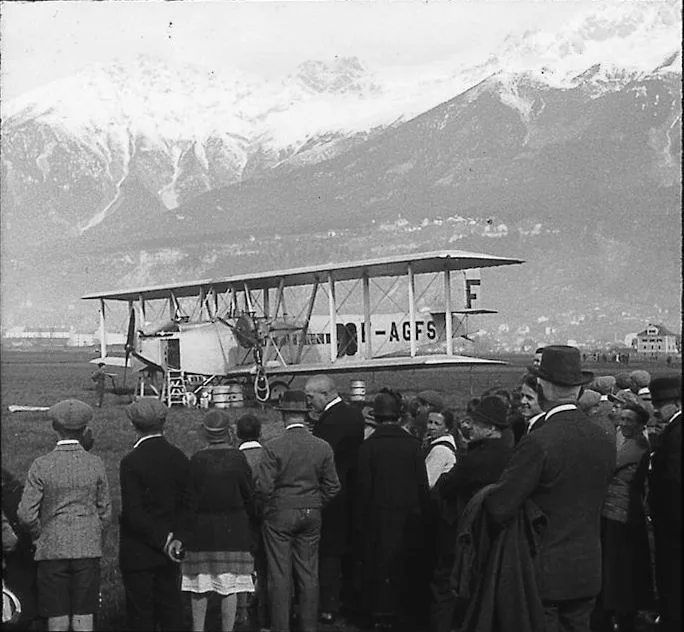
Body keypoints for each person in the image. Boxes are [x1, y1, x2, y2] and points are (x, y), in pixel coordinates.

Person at [485, 346, 616, 632]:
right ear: (579, 389)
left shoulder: (539, 441)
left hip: (544, 573)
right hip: (587, 569)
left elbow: (500, 507)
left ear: (542, 386)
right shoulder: (603, 436)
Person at [17, 399, 112, 632]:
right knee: (84, 612)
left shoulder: (41, 465)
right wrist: (94, 534)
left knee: (56, 614)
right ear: (84, 429)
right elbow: (106, 511)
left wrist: (41, 535)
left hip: (52, 548)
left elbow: (26, 514)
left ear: (54, 427)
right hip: (86, 547)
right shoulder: (95, 463)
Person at [255, 390, 341, 632]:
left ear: (284, 416)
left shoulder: (274, 447)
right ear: (306, 416)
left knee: (280, 575)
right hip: (311, 513)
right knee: (308, 573)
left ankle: (280, 626)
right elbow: (333, 485)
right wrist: (316, 502)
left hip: (280, 512)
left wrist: (269, 507)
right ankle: (308, 626)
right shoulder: (322, 447)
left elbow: (263, 486)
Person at [430, 396, 514, 632]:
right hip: (497, 533)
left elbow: (444, 488)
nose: (469, 426)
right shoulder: (512, 455)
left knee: (445, 585)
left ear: (490, 428)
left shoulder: (474, 460)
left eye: (476, 422)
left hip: (463, 531)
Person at [355, 388, 432, 631]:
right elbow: (422, 486)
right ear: (398, 415)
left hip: (376, 518)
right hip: (409, 518)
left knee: (377, 568)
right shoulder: (413, 446)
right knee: (404, 567)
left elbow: (362, 490)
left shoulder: (367, 448)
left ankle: (380, 614)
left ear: (376, 417)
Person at [118, 398, 191, 631]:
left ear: (134, 425)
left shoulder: (131, 461)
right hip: (171, 552)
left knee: (140, 615)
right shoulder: (178, 457)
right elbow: (187, 504)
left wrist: (162, 539)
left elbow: (133, 512)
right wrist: (177, 538)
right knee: (171, 609)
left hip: (140, 550)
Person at [182, 410, 255, 632]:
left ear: (205, 433)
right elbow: (249, 493)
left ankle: (198, 628)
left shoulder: (197, 460)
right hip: (233, 530)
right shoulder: (237, 458)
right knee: (229, 586)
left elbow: (189, 500)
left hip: (201, 530)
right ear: (228, 431)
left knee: (199, 585)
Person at [304, 375, 364, 624]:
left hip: (332, 494)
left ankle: (328, 604)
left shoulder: (331, 422)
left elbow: (322, 456)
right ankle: (345, 600)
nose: (308, 403)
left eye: (310, 397)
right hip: (350, 490)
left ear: (325, 394)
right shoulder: (352, 414)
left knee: (329, 552)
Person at [591, 401, 654, 632]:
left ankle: (617, 612)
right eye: (622, 418)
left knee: (619, 566)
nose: (624, 423)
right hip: (611, 510)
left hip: (623, 512)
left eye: (629, 420)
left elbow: (611, 465)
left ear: (639, 424)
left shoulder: (637, 444)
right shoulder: (623, 438)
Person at [647, 376, 681, 632]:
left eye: (661, 403)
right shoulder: (673, 429)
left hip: (672, 526)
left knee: (672, 579)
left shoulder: (676, 433)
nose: (655, 408)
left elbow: (672, 483)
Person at [236, 413, 268, 631]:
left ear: (237, 434)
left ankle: (243, 608)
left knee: (242, 565)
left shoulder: (234, 458)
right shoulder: (268, 455)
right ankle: (261, 601)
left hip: (241, 519)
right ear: (260, 433)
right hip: (265, 516)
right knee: (264, 564)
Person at [424, 409, 458, 489]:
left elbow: (429, 481)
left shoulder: (440, 450)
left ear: (446, 428)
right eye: (430, 422)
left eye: (437, 424)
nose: (431, 427)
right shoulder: (430, 443)